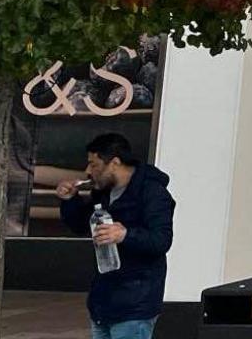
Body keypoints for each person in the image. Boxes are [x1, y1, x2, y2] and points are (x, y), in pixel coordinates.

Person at [56, 132, 175, 339]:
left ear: (114, 163)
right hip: (103, 299)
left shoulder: (152, 193)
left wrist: (125, 235)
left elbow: (161, 240)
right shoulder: (103, 193)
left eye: (94, 165)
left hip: (135, 302)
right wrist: (70, 201)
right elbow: (81, 225)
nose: (88, 171)